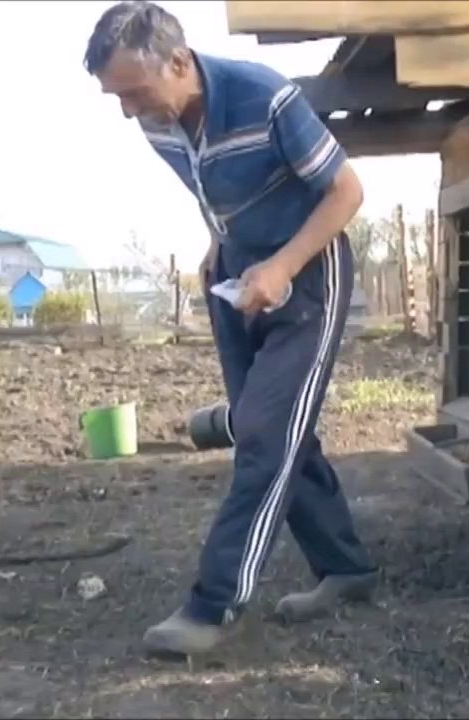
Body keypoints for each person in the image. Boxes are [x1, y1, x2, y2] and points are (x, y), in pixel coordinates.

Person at [83, 1, 379, 655]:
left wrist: (282, 265)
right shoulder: (157, 123)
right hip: (238, 277)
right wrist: (219, 240)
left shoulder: (265, 97)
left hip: (307, 272)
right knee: (269, 427)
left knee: (265, 434)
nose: (129, 110)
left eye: (134, 92)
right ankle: (347, 569)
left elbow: (348, 192)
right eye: (117, 98)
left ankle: (215, 605)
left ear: (180, 62)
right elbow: (208, 182)